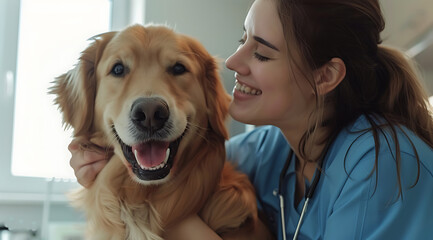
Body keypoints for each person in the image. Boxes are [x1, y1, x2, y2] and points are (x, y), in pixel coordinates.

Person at [68, 0, 433, 239]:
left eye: (261, 53)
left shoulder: (388, 167)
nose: (231, 62)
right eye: (243, 39)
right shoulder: (270, 149)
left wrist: (173, 220)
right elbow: (183, 160)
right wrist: (100, 163)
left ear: (325, 77)